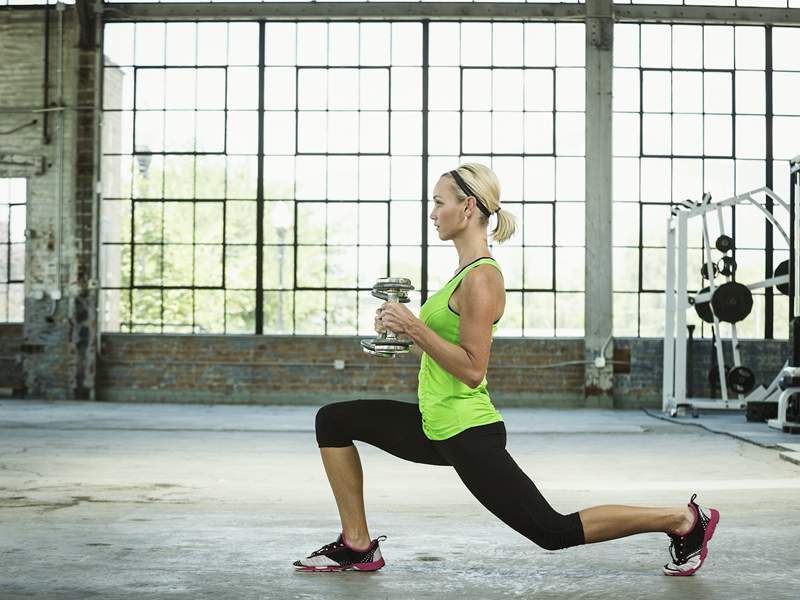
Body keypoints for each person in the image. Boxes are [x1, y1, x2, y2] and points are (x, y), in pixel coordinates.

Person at [293, 163, 719, 575]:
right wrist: (403, 332)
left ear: (468, 207)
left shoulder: (482, 278)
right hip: (434, 423)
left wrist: (415, 328)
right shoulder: (460, 274)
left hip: (465, 431)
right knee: (333, 419)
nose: (432, 212)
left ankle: (682, 520)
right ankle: (357, 545)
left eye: (439, 202)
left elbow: (473, 369)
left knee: (552, 531)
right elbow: (445, 348)